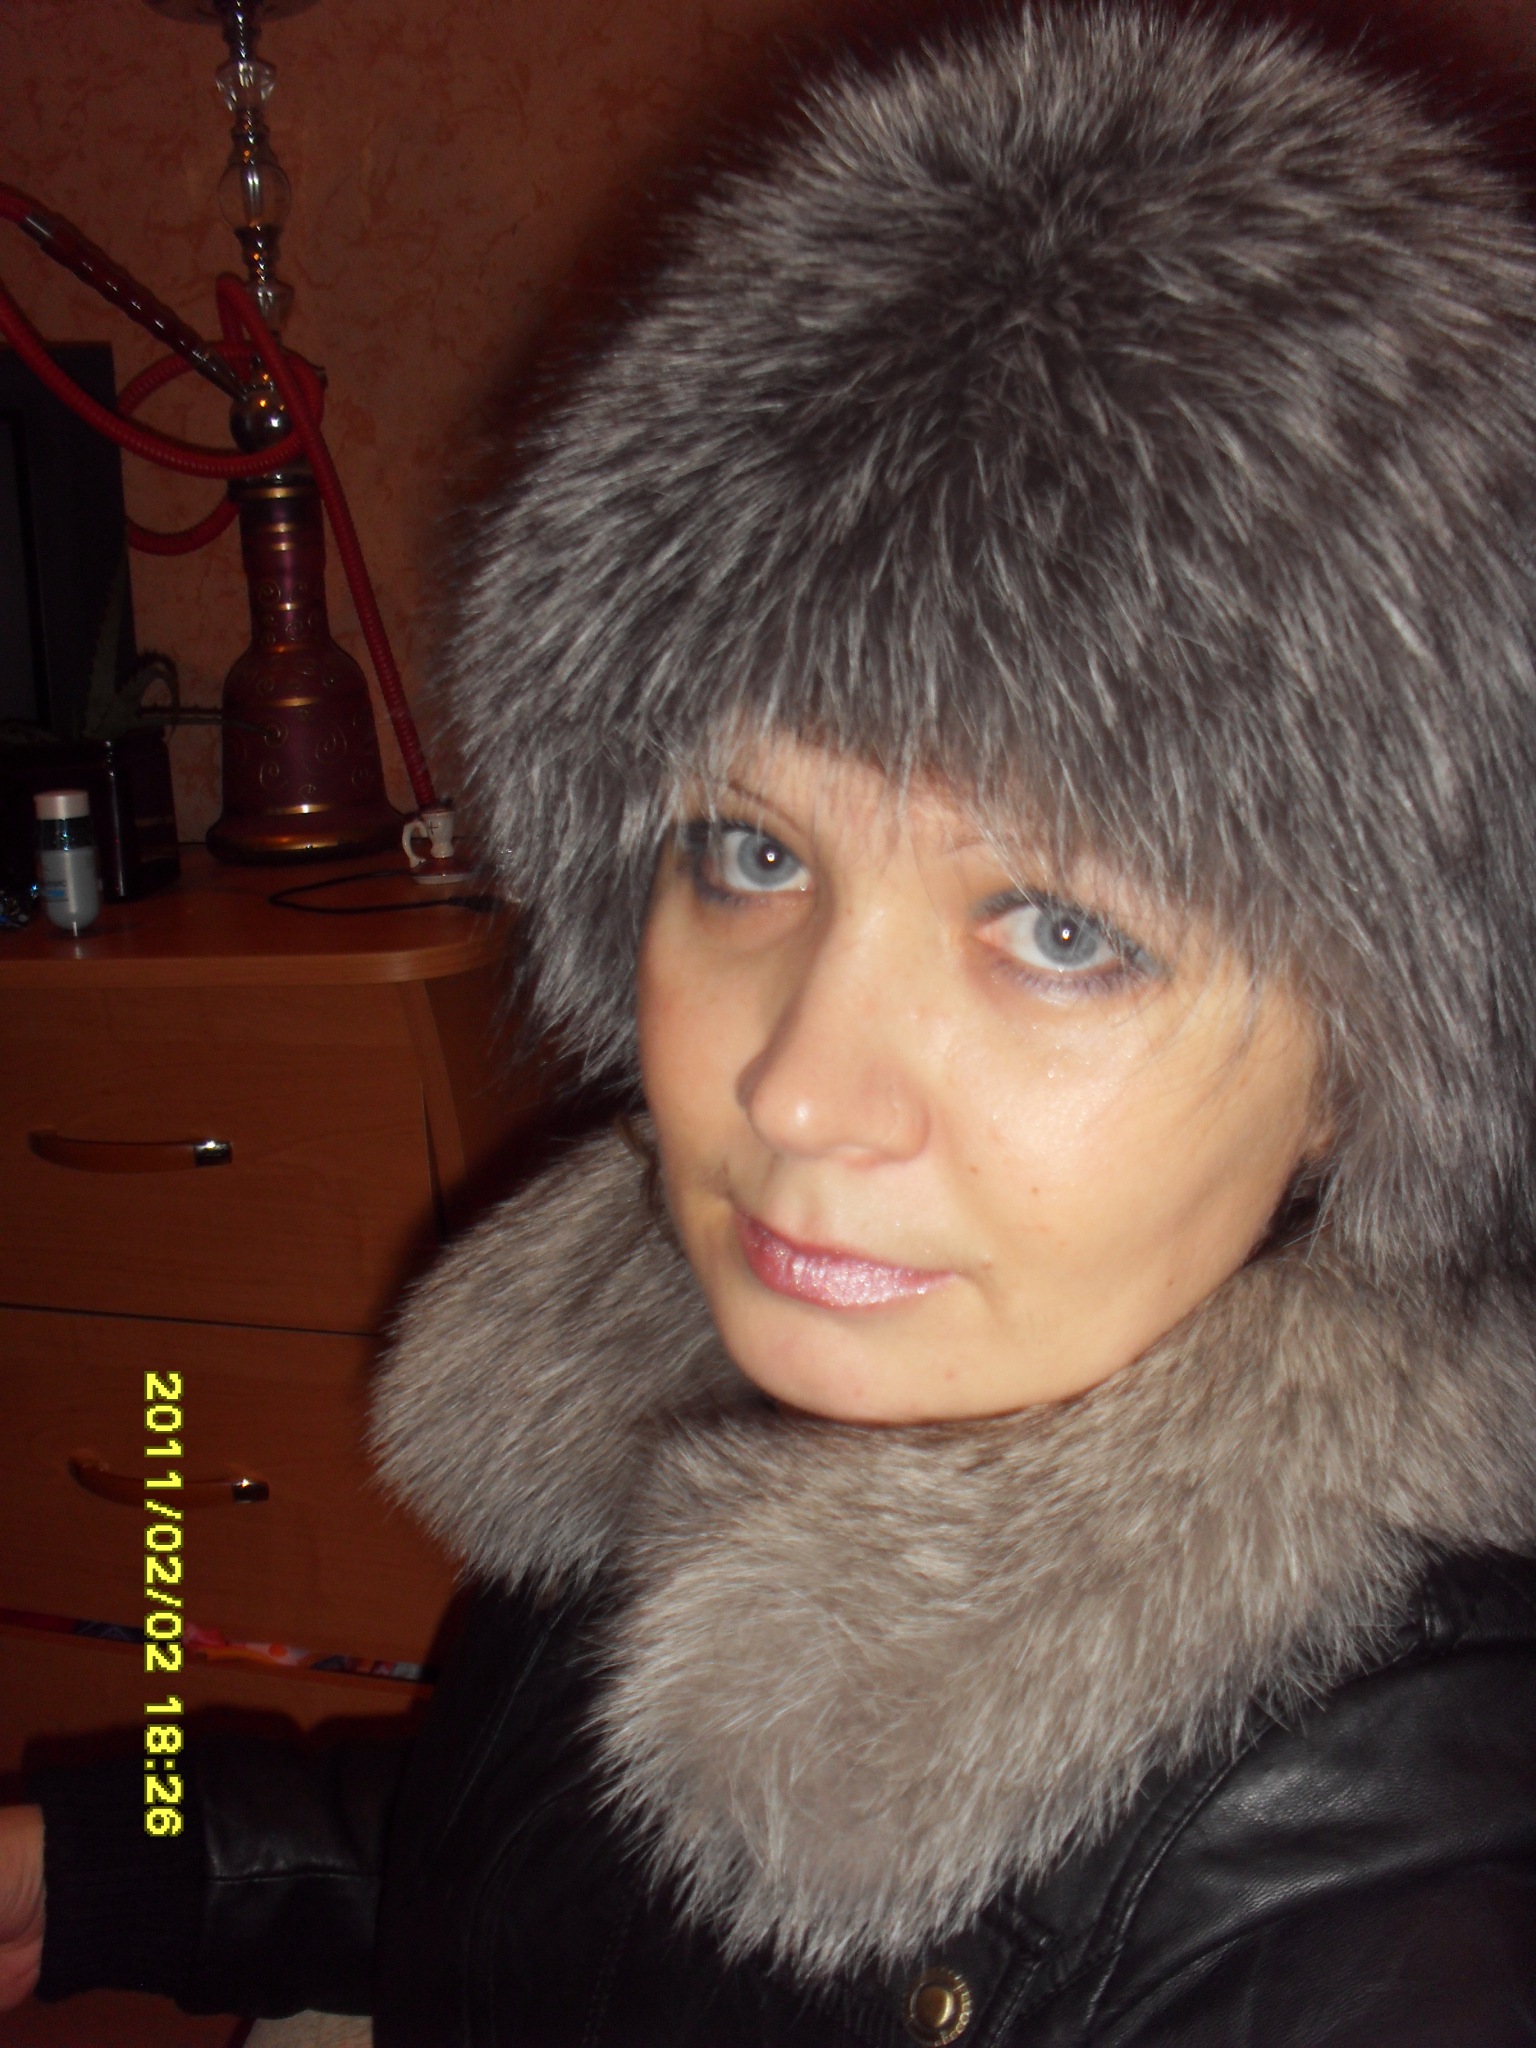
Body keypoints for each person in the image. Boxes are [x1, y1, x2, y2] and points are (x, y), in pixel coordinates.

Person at [5, 3, 1536, 2040]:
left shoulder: (1382, 1886)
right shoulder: (720, 1369)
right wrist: (139, 1853)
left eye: (1062, 926)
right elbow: (561, 1879)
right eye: (747, 850)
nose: (797, 1090)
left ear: (1373, 1056)